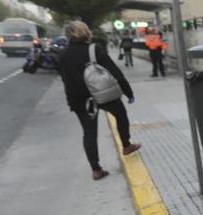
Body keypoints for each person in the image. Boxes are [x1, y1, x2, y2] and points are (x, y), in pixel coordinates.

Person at [58, 21, 141, 180]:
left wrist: (72, 100)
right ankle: (126, 145)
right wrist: (128, 92)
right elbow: (115, 72)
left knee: (89, 132)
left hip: (79, 99)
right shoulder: (94, 50)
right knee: (121, 114)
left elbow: (65, 79)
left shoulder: (63, 54)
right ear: (85, 32)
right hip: (102, 94)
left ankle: (96, 169)